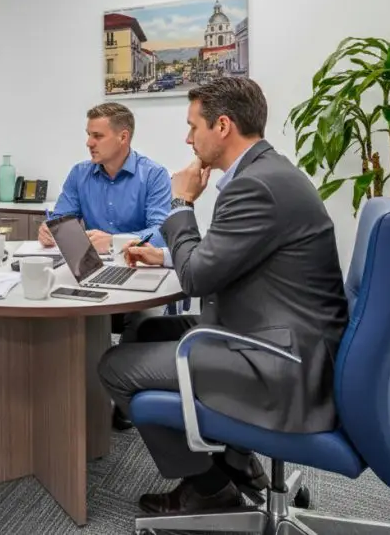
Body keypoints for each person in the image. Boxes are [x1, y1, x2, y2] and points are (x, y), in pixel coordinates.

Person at [98, 78, 349, 515]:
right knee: (151, 329)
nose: (187, 137)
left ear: (223, 126)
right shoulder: (266, 173)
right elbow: (222, 259)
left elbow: (198, 279)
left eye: (193, 126)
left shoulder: (256, 186)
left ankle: (210, 485)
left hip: (281, 363)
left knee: (115, 366)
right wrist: (165, 255)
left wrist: (180, 202)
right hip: (274, 332)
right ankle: (235, 457)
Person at [37, 101, 172, 430]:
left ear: (123, 137)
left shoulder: (153, 175)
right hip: (89, 272)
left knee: (144, 317)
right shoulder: (80, 174)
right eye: (88, 135)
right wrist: (50, 228)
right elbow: (62, 217)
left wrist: (114, 240)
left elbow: (161, 233)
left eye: (97, 135)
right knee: (50, 303)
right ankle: (64, 395)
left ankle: (126, 398)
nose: (89, 142)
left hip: (137, 273)